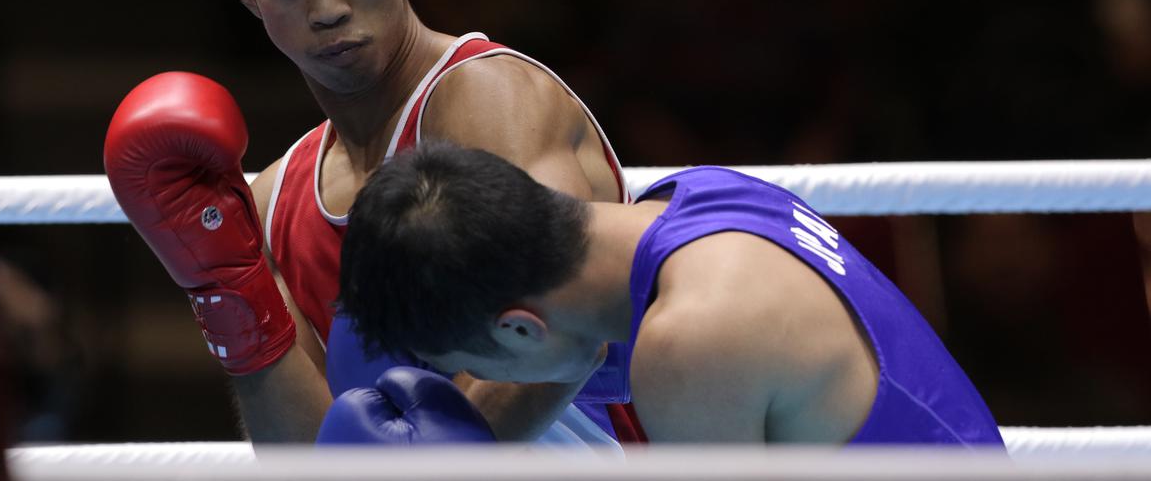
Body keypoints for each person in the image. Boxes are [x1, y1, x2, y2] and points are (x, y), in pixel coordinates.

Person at [104, 0, 640, 446]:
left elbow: (567, 334)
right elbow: (310, 456)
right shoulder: (272, 201)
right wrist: (229, 287)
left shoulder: (488, 99)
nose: (326, 6)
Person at [336, 141, 1007, 445]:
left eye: (475, 369)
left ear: (519, 330)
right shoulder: (695, 195)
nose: (481, 386)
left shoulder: (688, 342)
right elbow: (576, 358)